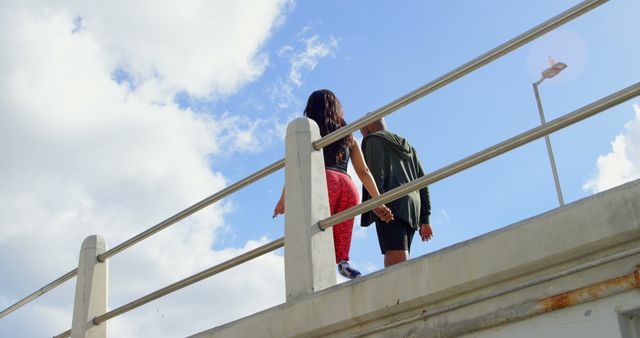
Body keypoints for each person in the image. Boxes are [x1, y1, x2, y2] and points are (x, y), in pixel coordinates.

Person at [273, 89, 393, 279]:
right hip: (347, 184)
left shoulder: (310, 133)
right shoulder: (348, 134)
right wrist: (378, 202)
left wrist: (282, 200)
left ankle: (314, 273)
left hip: (325, 180)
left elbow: (296, 168)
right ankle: (343, 262)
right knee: (340, 231)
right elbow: (364, 171)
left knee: (315, 234)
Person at [359, 117, 433, 267]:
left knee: (396, 255)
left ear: (370, 126)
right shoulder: (409, 147)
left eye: (362, 131)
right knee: (393, 253)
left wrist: (377, 202)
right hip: (413, 208)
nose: (362, 136)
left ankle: (405, 289)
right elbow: (423, 182)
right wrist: (425, 219)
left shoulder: (373, 140)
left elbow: (375, 173)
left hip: (389, 204)